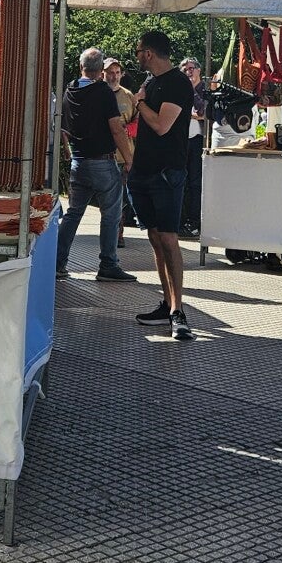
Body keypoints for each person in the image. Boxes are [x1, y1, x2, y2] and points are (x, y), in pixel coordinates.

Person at [127, 30, 197, 340]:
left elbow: (161, 125)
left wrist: (140, 102)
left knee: (168, 238)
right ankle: (167, 303)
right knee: (155, 237)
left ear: (149, 53)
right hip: (143, 171)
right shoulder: (152, 83)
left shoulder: (177, 83)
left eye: (139, 51)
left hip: (166, 173)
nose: (137, 56)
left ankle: (178, 311)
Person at [54, 48, 137, 281]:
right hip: (102, 161)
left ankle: (57, 263)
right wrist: (129, 159)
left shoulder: (70, 90)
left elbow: (64, 129)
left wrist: (68, 151)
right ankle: (108, 265)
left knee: (73, 213)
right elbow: (116, 129)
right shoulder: (103, 92)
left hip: (79, 161)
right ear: (101, 70)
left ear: (81, 67)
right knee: (111, 214)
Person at [104, 56, 139, 241]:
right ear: (103, 73)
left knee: (120, 197)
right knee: (106, 197)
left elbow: (138, 122)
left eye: (117, 72)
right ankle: (108, 231)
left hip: (124, 154)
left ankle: (118, 232)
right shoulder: (97, 93)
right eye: (110, 72)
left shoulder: (128, 95)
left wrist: (127, 130)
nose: (114, 76)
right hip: (102, 154)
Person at [179, 57, 209, 237]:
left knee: (195, 182)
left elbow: (203, 112)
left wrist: (192, 91)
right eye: (185, 69)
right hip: (182, 140)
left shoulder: (205, 90)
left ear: (198, 70)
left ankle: (194, 221)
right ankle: (181, 220)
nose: (188, 72)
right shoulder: (178, 89)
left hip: (198, 140)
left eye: (191, 68)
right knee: (180, 180)